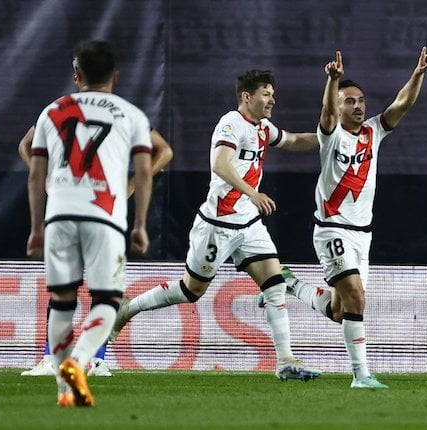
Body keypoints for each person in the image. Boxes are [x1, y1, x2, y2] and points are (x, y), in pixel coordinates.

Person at [109, 69, 322, 381]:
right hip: (217, 225)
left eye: (273, 93)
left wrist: (329, 138)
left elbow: (292, 140)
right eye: (266, 93)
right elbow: (219, 164)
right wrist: (252, 192)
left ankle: (286, 361)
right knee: (190, 290)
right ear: (247, 97)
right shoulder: (231, 123)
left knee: (275, 284)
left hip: (248, 223)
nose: (272, 99)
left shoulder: (263, 127)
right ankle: (129, 308)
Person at [260, 48, 427, 388]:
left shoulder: (373, 132)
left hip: (362, 235)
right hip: (331, 230)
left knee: (342, 310)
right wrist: (333, 79)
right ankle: (361, 376)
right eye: (350, 101)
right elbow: (325, 112)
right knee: (356, 296)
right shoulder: (331, 135)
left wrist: (418, 74)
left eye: (361, 100)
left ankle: (288, 283)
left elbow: (402, 104)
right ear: (339, 107)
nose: (358, 106)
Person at [27, 40, 153, 406]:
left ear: (76, 75)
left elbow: (36, 175)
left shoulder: (52, 112)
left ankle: (63, 386)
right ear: (115, 75)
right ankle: (80, 362)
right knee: (107, 300)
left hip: (60, 215)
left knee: (62, 300)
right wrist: (141, 223)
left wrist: (37, 227)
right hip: (105, 217)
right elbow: (144, 171)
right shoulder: (131, 115)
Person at [19, 126, 172, 377]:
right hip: (68, 207)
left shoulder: (121, 115)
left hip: (104, 210)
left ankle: (98, 361)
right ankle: (51, 358)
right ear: (77, 82)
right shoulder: (61, 112)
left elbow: (164, 151)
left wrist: (134, 182)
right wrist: (43, 175)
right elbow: (25, 143)